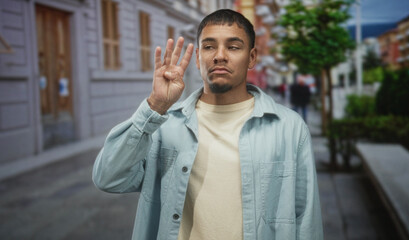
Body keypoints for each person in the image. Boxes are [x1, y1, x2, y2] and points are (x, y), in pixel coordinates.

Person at [93, 9, 323, 240]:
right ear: (197, 58)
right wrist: (155, 106)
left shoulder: (289, 127)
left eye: (233, 47)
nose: (219, 56)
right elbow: (108, 178)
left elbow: (306, 219)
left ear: (252, 57)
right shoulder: (164, 124)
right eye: (209, 46)